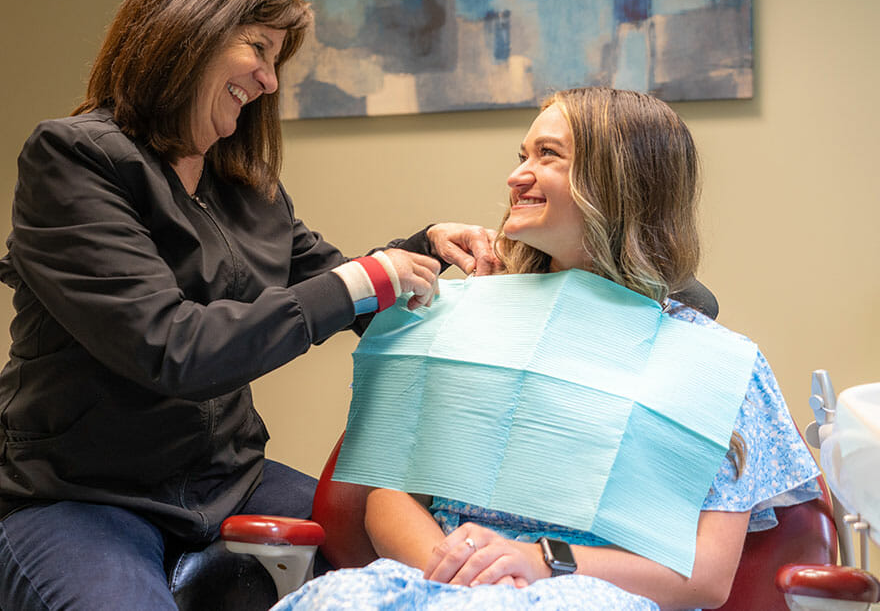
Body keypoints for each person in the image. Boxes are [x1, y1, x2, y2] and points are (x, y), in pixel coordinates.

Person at [0, 0, 497, 611]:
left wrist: (423, 251)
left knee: (408, 574)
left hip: (225, 481)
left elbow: (339, 289)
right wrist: (369, 276)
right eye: (260, 50)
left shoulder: (246, 188)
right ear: (188, 31)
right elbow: (172, 347)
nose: (270, 81)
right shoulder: (74, 161)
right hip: (77, 493)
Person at [271, 88, 822, 611]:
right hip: (441, 580)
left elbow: (706, 575)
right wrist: (470, 582)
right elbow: (388, 495)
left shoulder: (715, 366)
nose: (516, 175)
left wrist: (540, 563)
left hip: (591, 589)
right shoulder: (458, 319)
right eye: (521, 154)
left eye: (548, 155)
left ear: (619, 181)